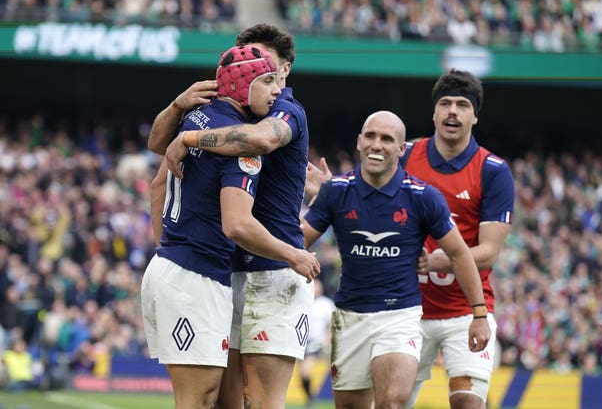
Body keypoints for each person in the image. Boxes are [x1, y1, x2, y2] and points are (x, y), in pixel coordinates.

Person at [140, 45, 320, 409]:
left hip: (173, 267)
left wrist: (168, 251)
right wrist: (294, 255)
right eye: (266, 81)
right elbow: (237, 225)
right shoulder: (238, 143)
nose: (276, 90)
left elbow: (158, 184)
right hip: (198, 274)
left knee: (215, 400)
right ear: (242, 84)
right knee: (199, 400)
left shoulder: (197, 117)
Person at [301, 111, 491, 409]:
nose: (377, 144)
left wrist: (479, 314)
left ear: (401, 149)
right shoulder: (335, 192)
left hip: (399, 315)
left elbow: (459, 253)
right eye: (371, 137)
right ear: (359, 142)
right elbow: (297, 242)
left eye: (387, 139)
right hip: (349, 316)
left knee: (391, 403)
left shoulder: (423, 197)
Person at [401, 69, 515, 409]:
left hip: (466, 309)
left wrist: (440, 258)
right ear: (434, 112)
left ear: (474, 116)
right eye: (446, 104)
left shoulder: (493, 171)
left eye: (463, 105)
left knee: (467, 402)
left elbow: (489, 252)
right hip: (406, 307)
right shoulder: (404, 156)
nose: (453, 111)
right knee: (390, 401)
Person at [298, 278, 335, 406]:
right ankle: (309, 397)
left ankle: (310, 399)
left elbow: (332, 323)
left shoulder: (326, 304)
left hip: (316, 342)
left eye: (317, 286)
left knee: (305, 371)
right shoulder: (302, 300)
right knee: (301, 375)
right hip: (301, 342)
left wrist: (327, 338)